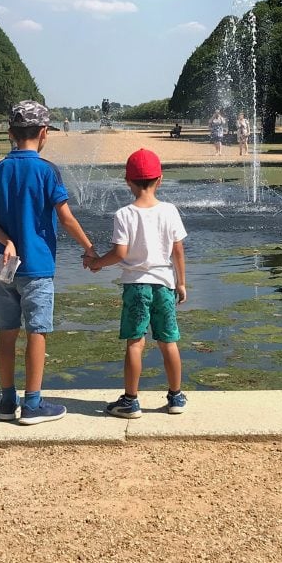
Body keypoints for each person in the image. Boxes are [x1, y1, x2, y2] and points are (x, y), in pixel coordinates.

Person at [0, 100, 98, 425]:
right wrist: (89, 248)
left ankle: (6, 401)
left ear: (10, 134)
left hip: (4, 270)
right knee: (37, 332)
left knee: (6, 332)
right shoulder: (47, 171)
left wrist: (7, 241)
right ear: (44, 133)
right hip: (38, 268)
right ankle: (32, 404)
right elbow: (66, 217)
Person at [86, 148, 188, 418]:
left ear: (127, 181)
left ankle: (131, 400)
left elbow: (120, 253)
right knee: (168, 341)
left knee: (135, 342)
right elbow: (178, 250)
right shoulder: (170, 211)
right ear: (160, 180)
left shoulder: (124, 214)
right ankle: (176, 397)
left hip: (136, 286)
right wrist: (181, 283)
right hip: (165, 284)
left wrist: (96, 263)